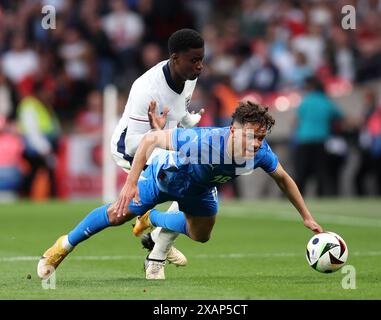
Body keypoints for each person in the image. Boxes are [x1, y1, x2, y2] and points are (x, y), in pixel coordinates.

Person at [37, 101, 323, 281]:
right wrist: (131, 183)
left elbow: (283, 179)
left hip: (199, 190)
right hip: (166, 177)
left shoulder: (260, 154)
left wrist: (306, 217)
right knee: (117, 216)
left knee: (201, 236)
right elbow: (150, 141)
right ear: (234, 131)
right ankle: (62, 247)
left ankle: (153, 220)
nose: (257, 143)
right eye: (251, 135)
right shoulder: (203, 141)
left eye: (261, 137)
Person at [112, 28, 205, 267]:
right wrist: (158, 134)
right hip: (130, 150)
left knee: (199, 180)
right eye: (194, 60)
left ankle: (156, 240)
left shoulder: (189, 76)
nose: (200, 66)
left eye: (201, 59)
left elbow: (179, 109)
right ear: (175, 59)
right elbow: (135, 142)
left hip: (162, 143)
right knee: (192, 183)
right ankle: (158, 242)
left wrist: (188, 120)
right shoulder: (147, 89)